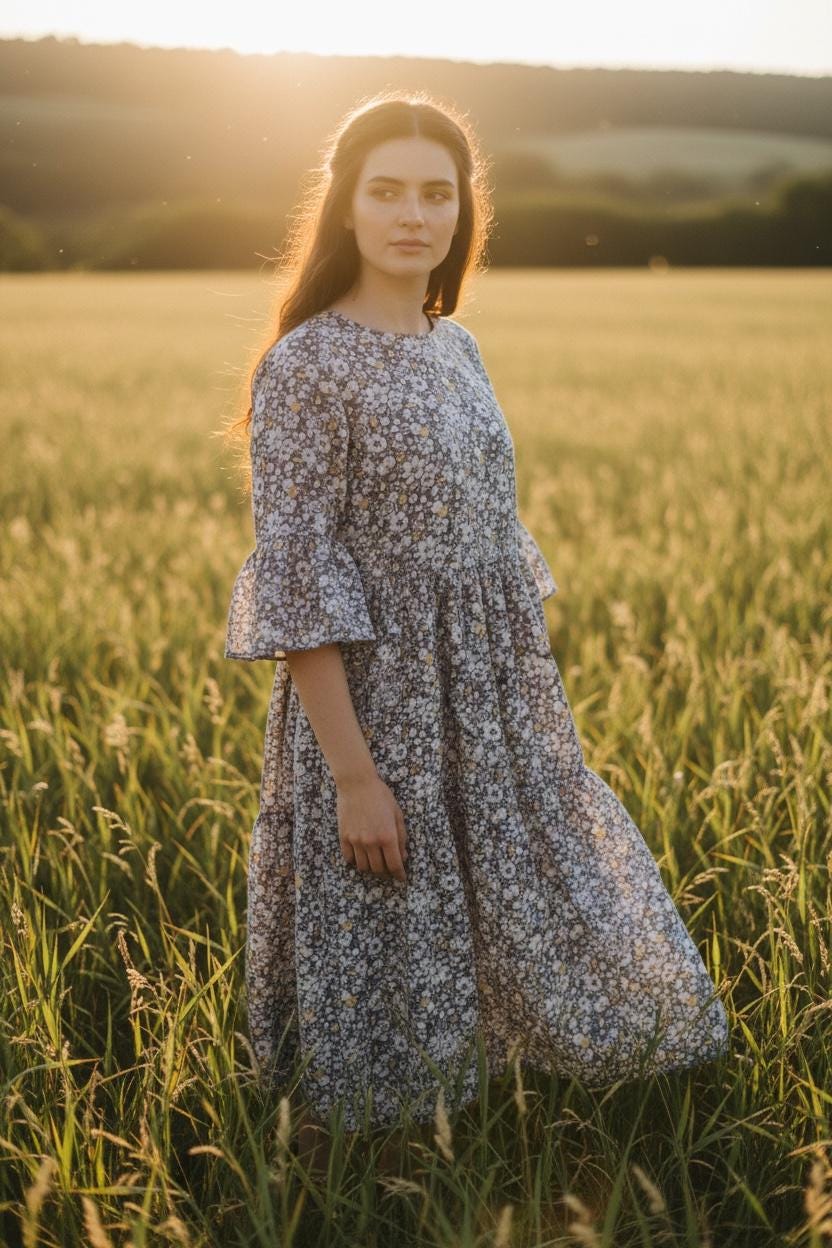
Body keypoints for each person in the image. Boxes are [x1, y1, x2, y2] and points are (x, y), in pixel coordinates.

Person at [223, 92, 730, 1170]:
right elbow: (300, 582)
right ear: (345, 206)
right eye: (387, 192)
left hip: (493, 691)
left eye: (437, 194)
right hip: (379, 703)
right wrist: (353, 777)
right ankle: (369, 1167)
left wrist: (519, 691)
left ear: (464, 210)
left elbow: (490, 538)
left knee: (545, 888)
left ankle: (516, 1114)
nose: (414, 215)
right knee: (390, 921)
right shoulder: (306, 367)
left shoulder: (458, 347)